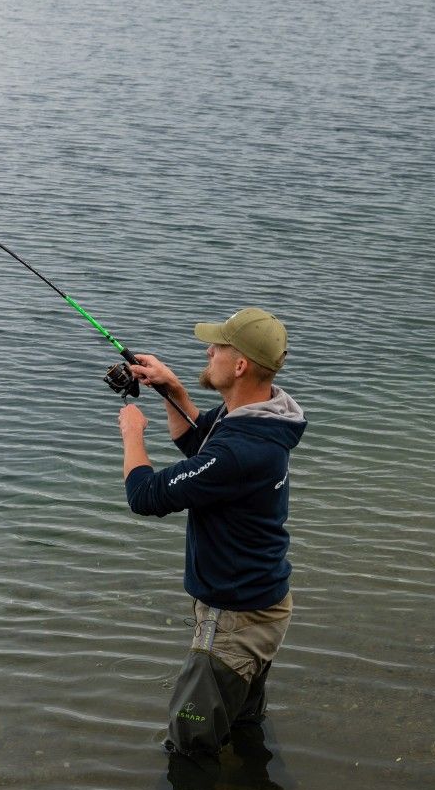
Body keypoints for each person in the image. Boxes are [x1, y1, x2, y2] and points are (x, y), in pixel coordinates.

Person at [117, 307, 306, 759]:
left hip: (234, 622)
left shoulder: (241, 450)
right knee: (241, 722)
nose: (209, 350)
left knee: (189, 742)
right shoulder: (260, 418)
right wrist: (171, 389)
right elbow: (202, 447)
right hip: (263, 603)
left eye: (217, 345)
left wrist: (131, 433)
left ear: (239, 365)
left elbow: (146, 495)